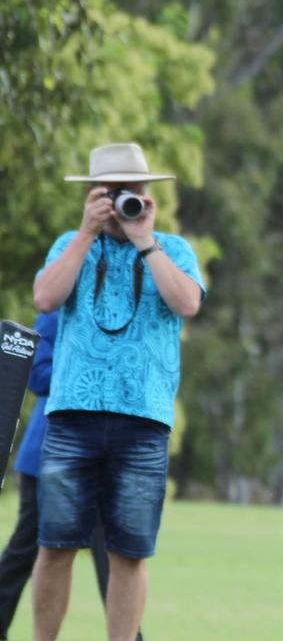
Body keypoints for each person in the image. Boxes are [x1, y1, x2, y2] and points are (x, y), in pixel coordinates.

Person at [30, 143, 203, 641]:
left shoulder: (175, 249)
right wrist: (86, 233)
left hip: (142, 419)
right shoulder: (70, 242)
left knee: (129, 552)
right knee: (54, 544)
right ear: (92, 194)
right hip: (73, 417)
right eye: (114, 192)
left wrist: (146, 242)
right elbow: (45, 296)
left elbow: (187, 303)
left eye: (136, 191)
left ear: (150, 195)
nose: (127, 201)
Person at [0, 311, 142, 641]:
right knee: (25, 553)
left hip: (106, 458)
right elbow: (37, 374)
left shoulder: (126, 308)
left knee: (116, 557)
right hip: (49, 458)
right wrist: (97, 371)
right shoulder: (59, 303)